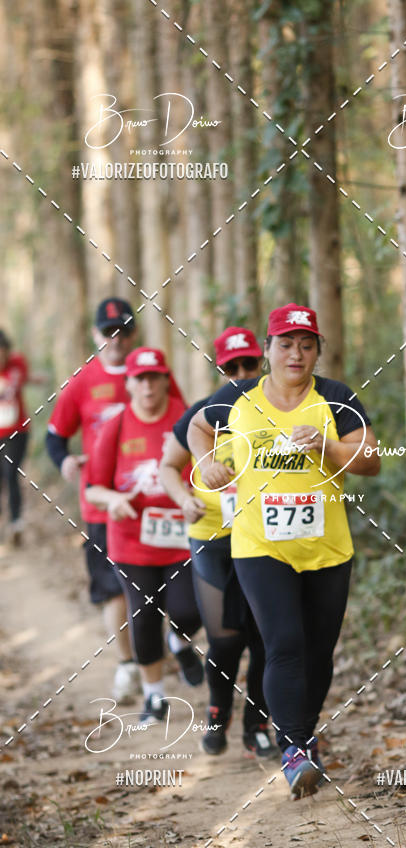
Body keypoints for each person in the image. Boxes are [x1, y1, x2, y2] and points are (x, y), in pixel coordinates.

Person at [187, 304, 380, 798]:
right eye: (286, 343)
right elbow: (195, 426)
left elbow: (371, 460)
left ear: (318, 351)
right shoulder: (238, 397)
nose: (297, 353)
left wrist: (329, 448)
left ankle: (304, 733)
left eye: (307, 344)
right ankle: (293, 747)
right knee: (284, 645)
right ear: (268, 349)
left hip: (328, 549)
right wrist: (207, 462)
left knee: (319, 652)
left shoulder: (336, 399)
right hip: (258, 547)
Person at [45, 298, 188, 704]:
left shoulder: (155, 373)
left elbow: (183, 422)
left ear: (134, 334)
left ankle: (167, 647)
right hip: (105, 502)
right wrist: (65, 462)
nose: (117, 338)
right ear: (95, 335)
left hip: (161, 504)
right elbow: (55, 435)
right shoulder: (83, 381)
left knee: (168, 588)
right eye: (109, 331)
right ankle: (130, 663)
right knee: (114, 590)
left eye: (124, 330)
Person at [160, 326, 276, 759]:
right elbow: (168, 467)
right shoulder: (201, 413)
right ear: (219, 368)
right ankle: (217, 711)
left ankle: (256, 725)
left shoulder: (274, 412)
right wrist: (182, 498)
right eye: (232, 367)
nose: (242, 372)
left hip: (266, 538)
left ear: (261, 363)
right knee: (225, 638)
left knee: (266, 637)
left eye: (250, 364)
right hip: (213, 537)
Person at [85, 347, 204, 723]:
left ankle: (180, 641)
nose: (148, 385)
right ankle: (154, 697)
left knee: (189, 609)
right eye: (140, 378)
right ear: (129, 383)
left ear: (167, 379)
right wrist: (114, 499)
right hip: (132, 541)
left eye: (155, 377)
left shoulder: (187, 420)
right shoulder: (115, 426)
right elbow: (93, 488)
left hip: (183, 536)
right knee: (144, 617)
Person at [0, 330, 31, 546]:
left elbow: (24, 379)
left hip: (17, 431)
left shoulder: (18, 363)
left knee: (11, 475)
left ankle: (16, 523)